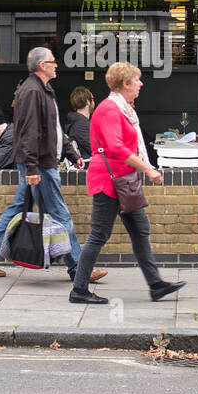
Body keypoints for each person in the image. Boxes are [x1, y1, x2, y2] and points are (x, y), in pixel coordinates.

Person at [0, 46, 102, 283]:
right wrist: (31, 168)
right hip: (40, 165)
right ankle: (79, 269)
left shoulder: (44, 89)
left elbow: (54, 128)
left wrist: (70, 153)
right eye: (53, 61)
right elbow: (28, 132)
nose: (56, 64)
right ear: (42, 65)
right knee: (61, 216)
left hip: (41, 163)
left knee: (17, 210)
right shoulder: (31, 91)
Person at [70, 62, 184, 305]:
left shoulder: (123, 110)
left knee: (140, 231)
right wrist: (148, 169)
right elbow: (116, 147)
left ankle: (155, 285)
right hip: (110, 180)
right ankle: (79, 289)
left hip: (124, 180)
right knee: (99, 234)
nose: (141, 84)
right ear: (125, 84)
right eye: (137, 80)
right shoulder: (110, 110)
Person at [64, 86, 95, 158]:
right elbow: (94, 149)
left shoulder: (75, 121)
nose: (94, 102)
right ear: (87, 102)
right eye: (92, 99)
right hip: (88, 166)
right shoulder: (81, 125)